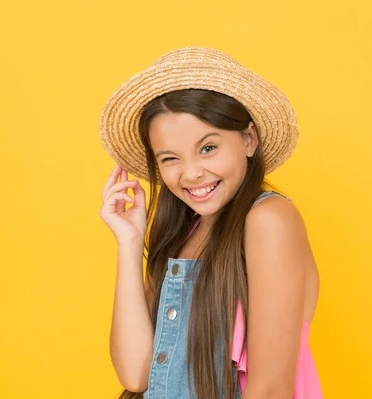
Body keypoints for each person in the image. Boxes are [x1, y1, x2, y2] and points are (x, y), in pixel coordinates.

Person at [99, 47, 322, 399]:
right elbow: (137, 374)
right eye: (170, 158)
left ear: (249, 139)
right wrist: (129, 242)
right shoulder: (182, 233)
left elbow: (269, 389)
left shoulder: (269, 220)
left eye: (207, 148)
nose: (191, 173)